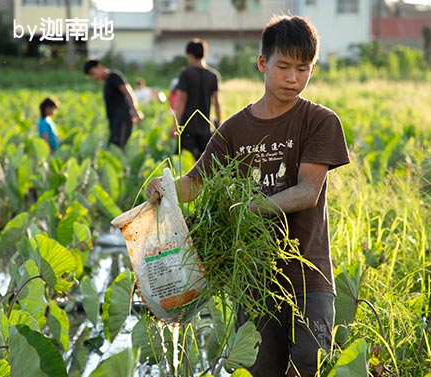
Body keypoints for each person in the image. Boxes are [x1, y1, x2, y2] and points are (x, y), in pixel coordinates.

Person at [147, 15, 350, 377]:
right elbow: (197, 182)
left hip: (308, 270)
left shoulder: (320, 120)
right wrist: (165, 188)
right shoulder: (235, 129)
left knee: (310, 360)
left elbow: (307, 192)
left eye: (303, 69)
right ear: (262, 64)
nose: (293, 78)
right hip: (253, 277)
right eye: (283, 67)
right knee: (260, 368)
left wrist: (249, 207)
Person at [173, 39, 221, 160]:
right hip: (206, 127)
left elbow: (182, 101)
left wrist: (175, 125)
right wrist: (219, 125)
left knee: (186, 165)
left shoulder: (186, 73)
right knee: (203, 166)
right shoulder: (212, 75)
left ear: (190, 55)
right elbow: (217, 103)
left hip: (187, 127)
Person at [83, 59, 143, 149]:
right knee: (114, 147)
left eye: (93, 73)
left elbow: (127, 92)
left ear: (99, 66)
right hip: (114, 121)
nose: (94, 77)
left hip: (122, 119)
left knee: (119, 148)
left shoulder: (114, 76)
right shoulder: (107, 82)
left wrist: (134, 110)